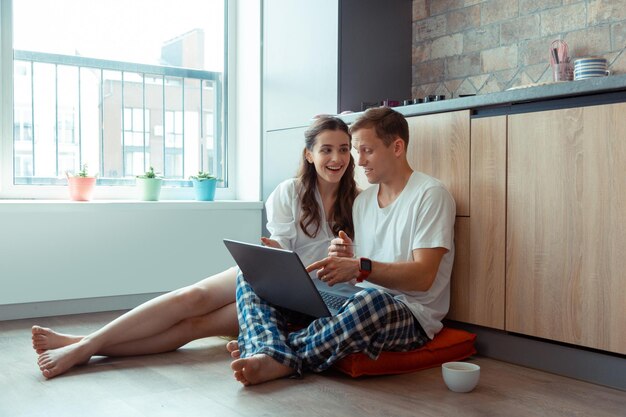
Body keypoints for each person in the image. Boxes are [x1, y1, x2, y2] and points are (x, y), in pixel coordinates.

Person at [33, 116, 358, 379]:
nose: (336, 159)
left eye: (344, 150)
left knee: (196, 327)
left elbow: (359, 269)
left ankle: (82, 345)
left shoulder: (358, 201)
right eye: (326, 150)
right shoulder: (290, 192)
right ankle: (85, 345)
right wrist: (275, 251)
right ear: (309, 154)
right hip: (272, 279)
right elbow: (283, 251)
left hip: (306, 300)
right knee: (192, 297)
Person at [228, 107, 456, 386]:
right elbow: (367, 266)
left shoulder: (430, 195)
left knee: (371, 302)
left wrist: (360, 267)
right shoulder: (363, 201)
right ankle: (272, 351)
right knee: (251, 275)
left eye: (366, 151)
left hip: (407, 312)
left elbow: (423, 278)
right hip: (355, 300)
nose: (358, 162)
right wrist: (347, 258)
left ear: (397, 147)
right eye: (357, 151)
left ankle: (272, 352)